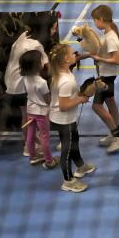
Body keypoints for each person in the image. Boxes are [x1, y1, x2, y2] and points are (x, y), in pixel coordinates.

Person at [48, 43, 96, 192]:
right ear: (65, 60)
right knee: (67, 150)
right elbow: (63, 105)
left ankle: (80, 166)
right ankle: (68, 180)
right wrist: (81, 99)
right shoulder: (66, 81)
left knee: (74, 141)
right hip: (64, 119)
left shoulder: (63, 72)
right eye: (72, 53)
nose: (75, 54)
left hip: (68, 118)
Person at [3, 14, 52, 156]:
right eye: (52, 29)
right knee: (30, 117)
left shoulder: (24, 36)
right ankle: (29, 147)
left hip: (10, 84)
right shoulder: (35, 45)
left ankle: (30, 145)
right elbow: (47, 67)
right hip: (21, 87)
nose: (53, 32)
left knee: (28, 116)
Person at [88, 5, 119, 153]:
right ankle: (114, 133)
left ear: (102, 19)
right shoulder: (108, 33)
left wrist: (98, 58)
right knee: (110, 102)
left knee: (96, 106)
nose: (95, 23)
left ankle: (118, 136)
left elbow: (117, 59)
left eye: (95, 20)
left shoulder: (111, 38)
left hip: (107, 78)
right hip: (106, 75)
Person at [19, 50, 57, 169]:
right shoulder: (42, 82)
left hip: (30, 111)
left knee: (30, 135)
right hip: (41, 113)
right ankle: (49, 160)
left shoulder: (25, 78)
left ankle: (33, 156)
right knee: (44, 136)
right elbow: (47, 99)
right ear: (37, 65)